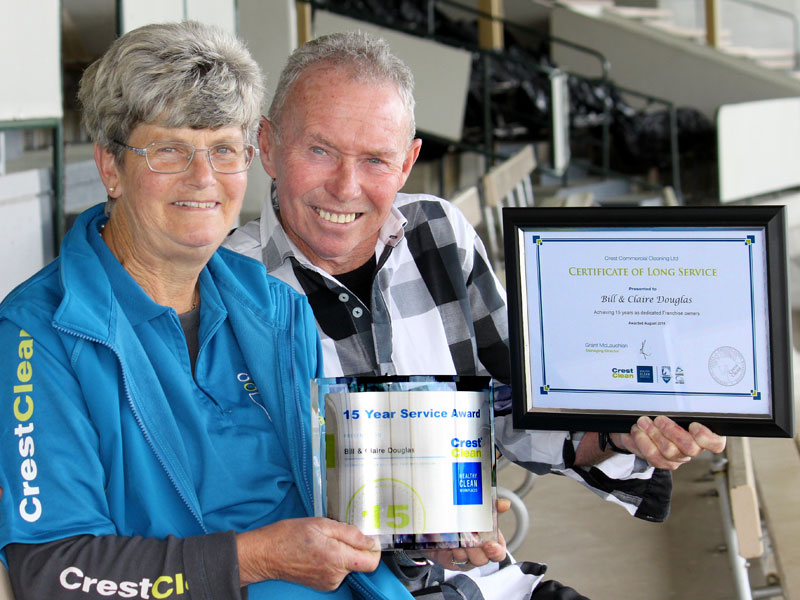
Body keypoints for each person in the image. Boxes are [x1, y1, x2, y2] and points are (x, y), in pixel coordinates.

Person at [224, 31, 727, 599]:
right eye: (319, 150)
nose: (346, 187)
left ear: (409, 161)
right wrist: (408, 533)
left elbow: (512, 406)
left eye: (375, 160)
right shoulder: (222, 289)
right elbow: (235, 502)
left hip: (480, 580)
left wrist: (619, 434)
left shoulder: (439, 234)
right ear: (267, 145)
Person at [0, 22, 417, 600]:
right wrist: (254, 559)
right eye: (170, 150)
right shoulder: (40, 335)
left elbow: (332, 499)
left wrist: (425, 524)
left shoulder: (276, 309)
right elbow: (54, 573)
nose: (204, 178)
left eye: (224, 149)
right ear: (111, 167)